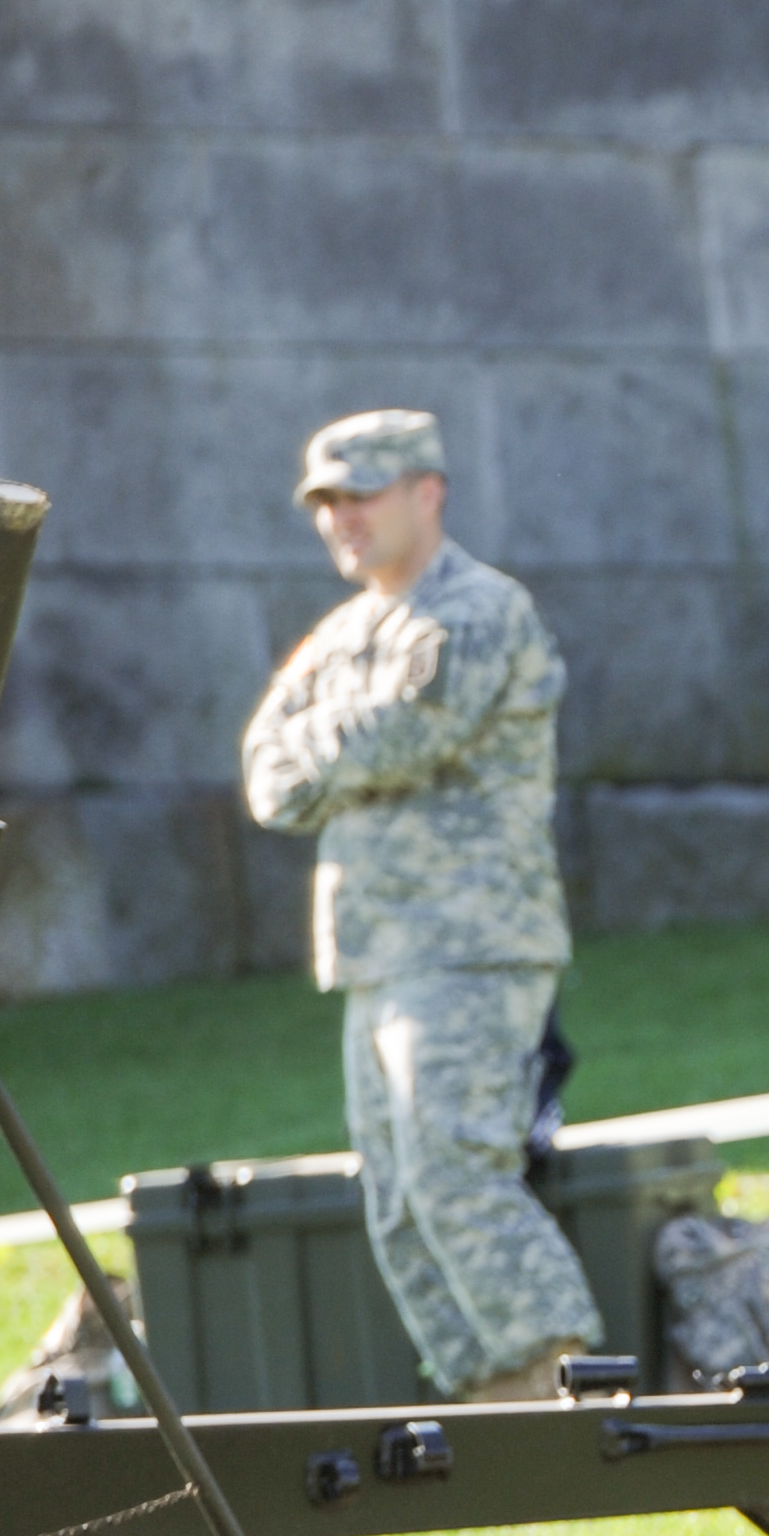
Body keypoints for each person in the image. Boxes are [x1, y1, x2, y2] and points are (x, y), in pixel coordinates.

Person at [238, 411, 604, 1401]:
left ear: (428, 491)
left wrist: (328, 747)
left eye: (361, 494)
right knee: (398, 1201)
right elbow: (265, 779)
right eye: (325, 502)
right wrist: (335, 745)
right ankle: (491, 1402)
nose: (340, 519)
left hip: (471, 941)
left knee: (458, 1177)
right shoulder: (346, 632)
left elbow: (396, 739)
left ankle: (569, 1390)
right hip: (375, 950)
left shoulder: (477, 609)